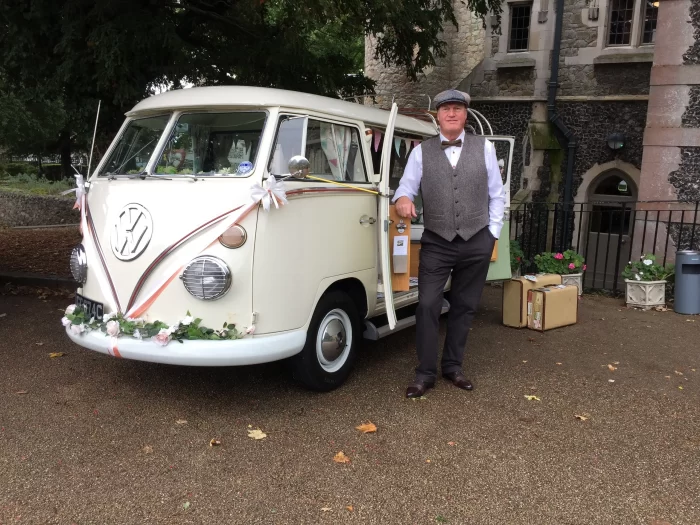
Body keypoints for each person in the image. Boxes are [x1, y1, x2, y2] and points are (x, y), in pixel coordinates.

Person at [392, 89, 506, 398]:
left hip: (476, 240)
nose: (452, 113)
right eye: (446, 109)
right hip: (437, 242)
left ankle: (453, 367)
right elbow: (406, 186)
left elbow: (497, 195)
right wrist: (403, 198)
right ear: (438, 116)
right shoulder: (421, 152)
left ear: (465, 115)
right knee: (428, 304)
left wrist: (491, 235)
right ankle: (425, 373)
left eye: (457, 108)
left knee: (464, 306)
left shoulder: (484, 149)